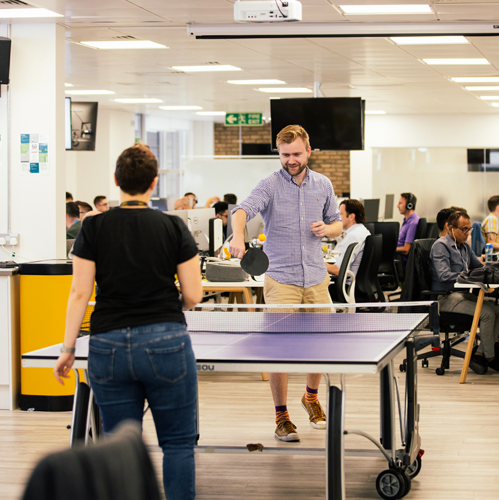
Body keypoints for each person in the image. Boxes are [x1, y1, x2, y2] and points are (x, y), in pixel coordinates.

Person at [53, 143, 202, 499]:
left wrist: (69, 348)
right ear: (153, 183)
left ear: (117, 180)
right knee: (178, 444)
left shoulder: (93, 228)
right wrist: (166, 305)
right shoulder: (173, 226)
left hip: (108, 344)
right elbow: (194, 295)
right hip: (166, 339)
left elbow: (78, 293)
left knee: (118, 447)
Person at [229, 124, 342, 442]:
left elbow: (335, 223)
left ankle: (311, 396)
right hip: (281, 278)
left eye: (296, 154)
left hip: (317, 276)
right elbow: (242, 210)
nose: (290, 160)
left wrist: (327, 229)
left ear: (308, 151)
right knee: (278, 349)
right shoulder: (269, 185)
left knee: (320, 344)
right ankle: (281, 416)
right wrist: (239, 234)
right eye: (284, 155)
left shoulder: (323, 183)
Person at [430, 210, 499, 374]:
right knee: (487, 313)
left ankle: (480, 353)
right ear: (451, 228)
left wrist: (494, 271)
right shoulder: (441, 246)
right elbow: (444, 275)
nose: (467, 233)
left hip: (461, 295)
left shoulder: (464, 247)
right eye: (464, 229)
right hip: (446, 298)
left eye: (469, 229)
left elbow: (480, 268)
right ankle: (491, 357)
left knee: (498, 310)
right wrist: (468, 275)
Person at [325, 199, 370, 279]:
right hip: (357, 283)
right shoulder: (363, 231)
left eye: (340, 214)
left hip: (346, 285)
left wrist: (319, 264)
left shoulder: (353, 236)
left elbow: (338, 270)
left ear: (351, 217)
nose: (337, 218)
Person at [396, 192, 420, 263]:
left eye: (400, 203)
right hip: (397, 257)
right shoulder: (407, 221)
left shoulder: (413, 223)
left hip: (400, 260)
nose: (397, 206)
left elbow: (406, 249)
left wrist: (389, 249)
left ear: (409, 205)